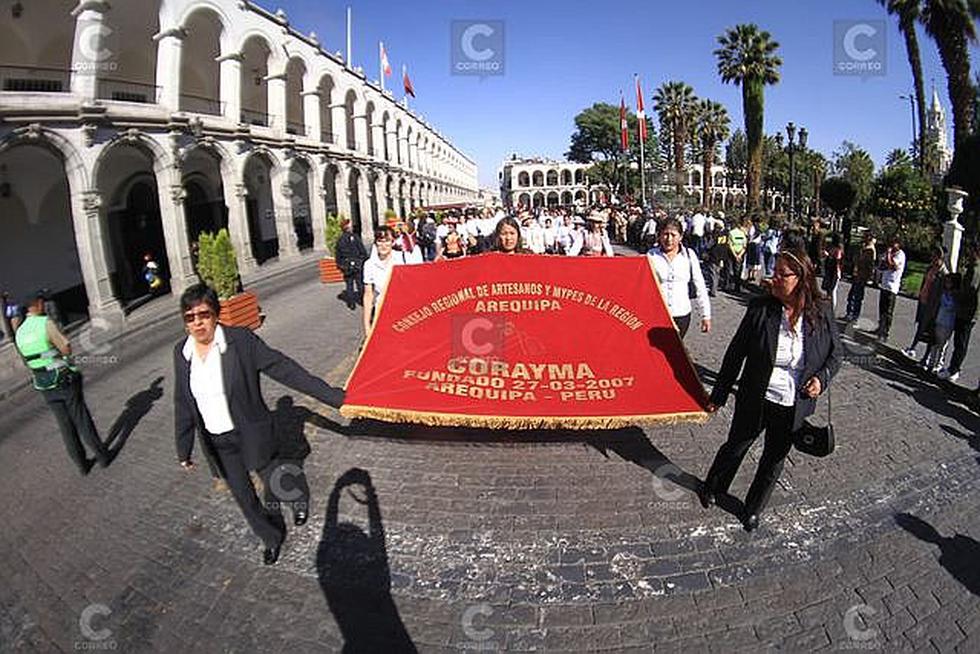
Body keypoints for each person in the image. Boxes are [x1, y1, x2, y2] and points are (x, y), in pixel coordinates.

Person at [173, 284, 343, 565]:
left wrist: (336, 398)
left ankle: (298, 500)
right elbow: (182, 401)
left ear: (216, 314)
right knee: (244, 497)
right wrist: (183, 448)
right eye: (189, 317)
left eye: (203, 315)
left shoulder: (240, 341)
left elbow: (284, 369)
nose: (197, 323)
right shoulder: (182, 353)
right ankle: (271, 537)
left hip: (251, 431)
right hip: (219, 442)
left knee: (277, 479)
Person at [700, 249, 841, 532]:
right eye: (773, 272)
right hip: (757, 394)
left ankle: (753, 508)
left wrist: (821, 379)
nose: (773, 278)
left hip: (794, 401)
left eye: (781, 274)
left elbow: (836, 355)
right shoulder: (761, 308)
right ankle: (714, 486)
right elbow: (735, 354)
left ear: (801, 278)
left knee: (774, 458)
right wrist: (719, 395)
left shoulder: (821, 311)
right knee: (737, 445)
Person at [15, 290, 111, 475]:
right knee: (81, 419)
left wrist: (42, 358)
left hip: (43, 383)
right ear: (38, 304)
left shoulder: (19, 332)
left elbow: (27, 361)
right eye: (42, 302)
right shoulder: (45, 323)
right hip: (63, 378)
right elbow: (66, 348)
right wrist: (54, 355)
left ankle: (82, 465)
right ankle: (102, 456)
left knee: (65, 426)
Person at [647, 218, 712, 338]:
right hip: (657, 313)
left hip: (681, 312)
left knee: (676, 350)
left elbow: (700, 285)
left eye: (673, 235)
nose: (669, 239)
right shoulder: (651, 255)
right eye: (665, 234)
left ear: (680, 237)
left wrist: (705, 315)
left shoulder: (689, 255)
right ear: (659, 236)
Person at [942, 242, 979, 382]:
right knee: (959, 341)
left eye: (970, 251)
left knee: (961, 342)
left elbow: (969, 291)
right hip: (965, 310)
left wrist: (954, 293)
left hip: (967, 312)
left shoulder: (974, 269)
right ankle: (953, 367)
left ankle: (954, 369)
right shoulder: (972, 268)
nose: (968, 254)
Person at [903, 247, 947, 360]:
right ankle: (913, 348)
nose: (932, 258)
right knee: (920, 327)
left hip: (932, 306)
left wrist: (935, 309)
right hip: (923, 301)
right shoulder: (930, 269)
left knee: (929, 331)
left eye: (934, 256)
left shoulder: (943, 274)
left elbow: (940, 294)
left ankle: (926, 357)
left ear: (939, 257)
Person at [362, 226, 403, 335]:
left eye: (387, 241)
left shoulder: (402, 259)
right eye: (380, 241)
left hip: (403, 312)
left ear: (393, 242)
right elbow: (368, 295)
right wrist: (367, 326)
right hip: (381, 312)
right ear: (375, 243)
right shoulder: (369, 265)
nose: (383, 245)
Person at [921, 273, 959, 374]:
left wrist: (947, 297)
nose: (947, 284)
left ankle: (939, 365)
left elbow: (950, 307)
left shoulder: (955, 296)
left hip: (948, 323)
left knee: (942, 346)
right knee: (934, 344)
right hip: (939, 320)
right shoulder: (944, 293)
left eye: (949, 282)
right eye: (946, 282)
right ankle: (931, 363)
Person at [876, 238, 906, 342]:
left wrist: (888, 253)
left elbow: (892, 266)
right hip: (884, 284)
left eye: (894, 243)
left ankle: (885, 332)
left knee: (888, 311)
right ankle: (880, 327)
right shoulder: (890, 253)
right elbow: (883, 265)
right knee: (882, 309)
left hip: (892, 286)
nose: (892, 245)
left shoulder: (900, 255)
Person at [334, 218, 368, 310]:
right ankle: (362, 301)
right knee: (360, 284)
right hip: (357, 263)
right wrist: (364, 260)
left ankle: (351, 303)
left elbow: (338, 254)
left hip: (346, 265)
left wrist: (340, 265)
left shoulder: (340, 240)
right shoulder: (355, 237)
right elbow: (362, 250)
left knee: (349, 285)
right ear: (348, 227)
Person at [844, 233, 876, 321]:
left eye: (866, 238)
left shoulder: (870, 251)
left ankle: (855, 315)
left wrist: (869, 276)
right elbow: (856, 259)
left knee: (857, 296)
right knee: (852, 294)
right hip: (856, 274)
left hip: (862, 275)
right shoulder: (862, 248)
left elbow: (870, 265)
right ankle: (849, 312)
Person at [820, 234, 844, 314]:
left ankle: (832, 307)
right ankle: (828, 305)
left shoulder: (838, 249)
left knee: (832, 290)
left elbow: (837, 260)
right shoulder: (832, 248)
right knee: (828, 289)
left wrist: (829, 255)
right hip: (829, 270)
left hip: (834, 271)